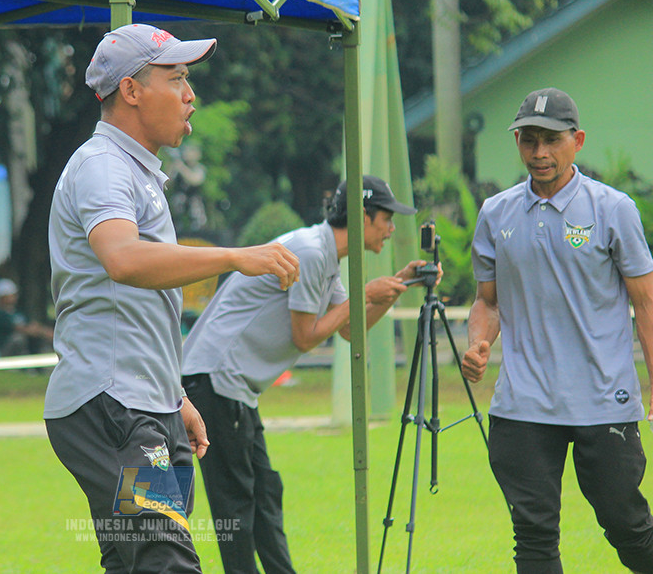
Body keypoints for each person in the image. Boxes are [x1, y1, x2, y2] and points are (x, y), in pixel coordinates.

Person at [45, 23, 300, 574]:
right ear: (132, 91)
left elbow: (133, 306)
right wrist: (236, 257)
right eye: (177, 78)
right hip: (116, 406)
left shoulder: (135, 173)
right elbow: (126, 260)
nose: (191, 95)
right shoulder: (103, 167)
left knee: (136, 564)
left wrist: (174, 396)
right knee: (167, 562)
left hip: (147, 404)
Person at [182, 175, 433, 573]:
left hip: (233, 388)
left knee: (265, 494)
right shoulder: (313, 252)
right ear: (363, 216)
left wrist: (393, 288)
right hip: (213, 381)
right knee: (237, 505)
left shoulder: (326, 256)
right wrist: (365, 293)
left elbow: (349, 328)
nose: (391, 228)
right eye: (387, 218)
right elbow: (306, 337)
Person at [461, 87, 653, 574]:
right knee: (533, 535)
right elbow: (487, 301)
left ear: (578, 140)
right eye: (528, 140)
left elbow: (645, 301)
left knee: (625, 524)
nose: (539, 153)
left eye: (551, 140)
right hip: (523, 403)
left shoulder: (614, 209)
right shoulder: (495, 214)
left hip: (601, 397)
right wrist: (478, 344)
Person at [0, 278, 53, 358]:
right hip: (5, 349)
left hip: (24, 343)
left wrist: (45, 331)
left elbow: (30, 324)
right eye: (11, 295)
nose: (15, 297)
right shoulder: (0, 314)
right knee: (19, 338)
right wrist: (39, 332)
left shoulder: (17, 312)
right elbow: (19, 328)